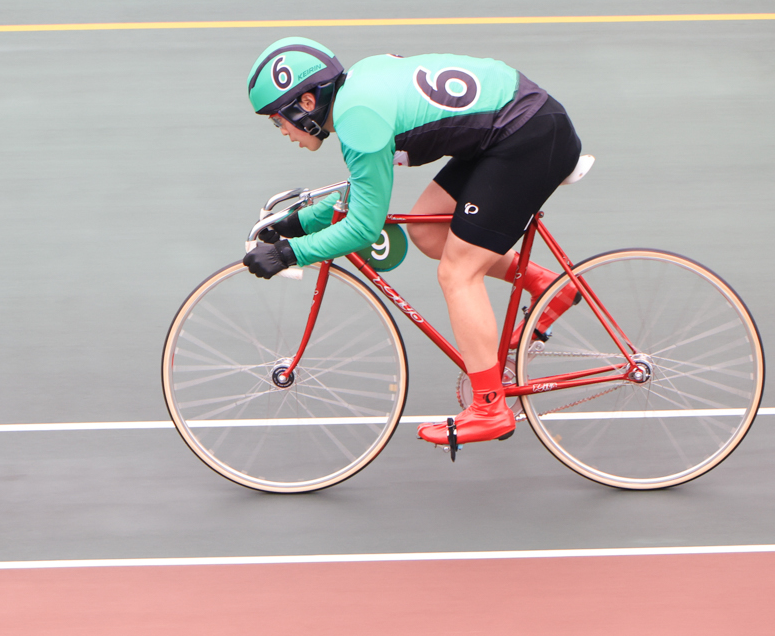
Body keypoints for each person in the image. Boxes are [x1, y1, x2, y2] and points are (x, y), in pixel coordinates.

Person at [240, 39, 585, 450]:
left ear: (308, 103)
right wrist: (297, 223)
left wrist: (287, 253)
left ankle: (490, 408)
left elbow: (364, 226)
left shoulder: (359, 119)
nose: (281, 132)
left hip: (525, 134)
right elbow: (364, 190)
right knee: (428, 231)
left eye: (279, 120)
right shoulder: (357, 97)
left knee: (458, 273)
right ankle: (547, 286)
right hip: (513, 126)